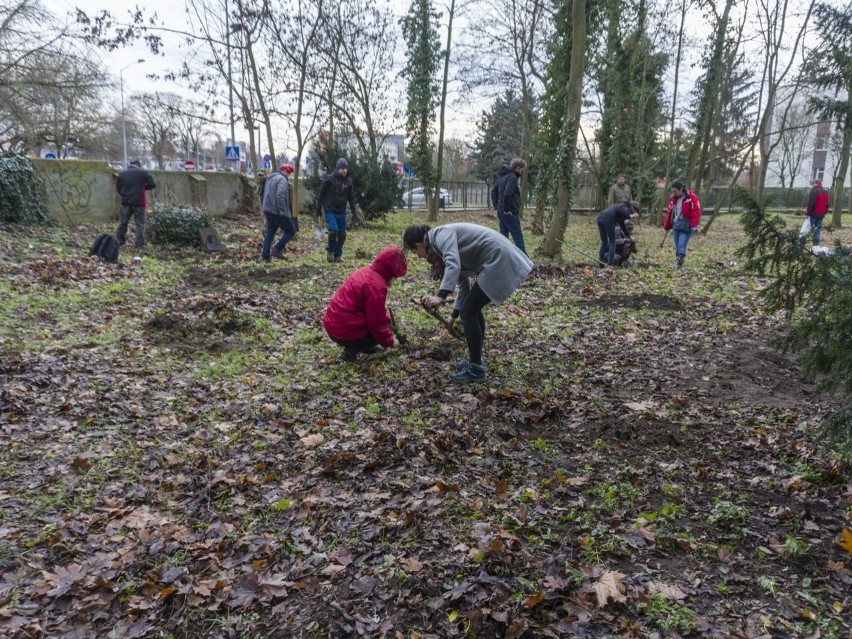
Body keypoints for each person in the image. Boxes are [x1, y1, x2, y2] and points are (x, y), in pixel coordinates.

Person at [403, 223, 533, 384]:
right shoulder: (438, 246)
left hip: (498, 258)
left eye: (416, 253)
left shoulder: (440, 235)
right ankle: (475, 360)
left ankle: (476, 367)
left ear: (418, 245)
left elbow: (454, 264)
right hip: (495, 259)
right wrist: (452, 317)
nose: (420, 257)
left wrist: (441, 296)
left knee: (469, 312)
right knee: (471, 310)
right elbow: (463, 284)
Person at [323, 246, 407, 361]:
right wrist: (390, 341)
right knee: (377, 333)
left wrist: (387, 322)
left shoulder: (365, 271)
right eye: (395, 277)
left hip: (332, 325)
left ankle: (359, 346)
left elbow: (375, 311)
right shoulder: (376, 286)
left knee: (383, 327)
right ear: (391, 272)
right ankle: (352, 350)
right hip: (343, 330)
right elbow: (376, 321)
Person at [316, 158, 356, 263]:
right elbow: (321, 193)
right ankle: (330, 252)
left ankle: (338, 255)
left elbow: (350, 198)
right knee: (333, 231)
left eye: (345, 168)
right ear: (337, 168)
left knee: (342, 234)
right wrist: (318, 207)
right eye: (342, 168)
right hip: (330, 210)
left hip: (341, 211)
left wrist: (354, 211)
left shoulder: (348, 182)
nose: (344, 171)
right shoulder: (329, 179)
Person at [490, 158, 528, 255]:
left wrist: (497, 206)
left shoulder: (502, 177)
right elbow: (508, 194)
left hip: (501, 211)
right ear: (518, 167)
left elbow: (493, 191)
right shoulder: (512, 177)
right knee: (517, 236)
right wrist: (506, 209)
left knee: (503, 237)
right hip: (509, 213)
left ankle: (500, 257)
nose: (522, 172)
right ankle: (526, 261)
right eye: (522, 169)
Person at [115, 160, 156, 249]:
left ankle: (119, 242)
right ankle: (139, 244)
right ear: (139, 165)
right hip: (139, 202)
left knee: (123, 223)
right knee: (140, 224)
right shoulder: (143, 173)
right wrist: (143, 187)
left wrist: (124, 194)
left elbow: (118, 188)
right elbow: (152, 184)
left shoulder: (122, 174)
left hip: (125, 202)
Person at [261, 163, 296, 262]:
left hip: (267, 209)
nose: (288, 175)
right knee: (291, 231)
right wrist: (282, 211)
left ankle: (265, 256)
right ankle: (277, 248)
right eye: (288, 173)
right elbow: (280, 195)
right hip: (277, 211)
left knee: (270, 233)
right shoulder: (282, 180)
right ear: (285, 171)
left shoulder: (270, 178)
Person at [663, 180, 701, 269]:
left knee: (681, 244)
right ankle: (679, 260)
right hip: (676, 224)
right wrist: (667, 225)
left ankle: (679, 262)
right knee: (677, 244)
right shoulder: (673, 199)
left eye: (675, 191)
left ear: (681, 189)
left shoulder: (691, 197)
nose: (673, 193)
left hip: (687, 225)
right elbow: (669, 212)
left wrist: (694, 225)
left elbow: (696, 211)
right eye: (672, 191)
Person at [597, 200, 640, 266]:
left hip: (600, 218)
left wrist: (629, 236)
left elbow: (622, 225)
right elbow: (622, 211)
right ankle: (610, 264)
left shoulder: (622, 210)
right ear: (633, 207)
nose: (635, 213)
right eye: (636, 211)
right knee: (612, 242)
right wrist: (630, 215)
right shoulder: (625, 207)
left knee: (604, 242)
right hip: (608, 219)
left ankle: (601, 263)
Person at [799, 178, 830, 248]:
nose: (812, 185)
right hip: (821, 215)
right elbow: (827, 204)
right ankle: (815, 246)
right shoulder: (825, 192)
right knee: (817, 231)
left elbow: (811, 203)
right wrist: (824, 212)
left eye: (812, 184)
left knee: (806, 229)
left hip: (813, 214)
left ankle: (801, 244)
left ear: (816, 183)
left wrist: (808, 213)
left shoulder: (814, 191)